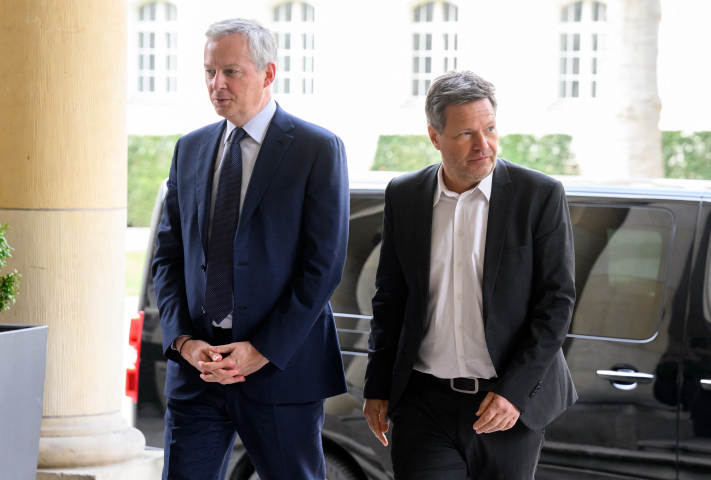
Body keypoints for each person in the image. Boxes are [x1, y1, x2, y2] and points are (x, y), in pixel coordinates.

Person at [152, 18, 349, 480]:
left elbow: (322, 267)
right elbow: (168, 257)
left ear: (268, 73)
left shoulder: (317, 149)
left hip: (280, 371)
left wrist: (261, 349)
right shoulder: (190, 148)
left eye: (231, 72)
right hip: (198, 371)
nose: (217, 84)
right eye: (208, 72)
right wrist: (182, 341)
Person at [362, 71, 577, 479]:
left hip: (505, 406)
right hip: (423, 402)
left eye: (490, 128)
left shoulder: (539, 195)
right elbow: (390, 298)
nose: (484, 145)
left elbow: (557, 303)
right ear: (435, 136)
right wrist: (377, 387)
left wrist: (513, 394)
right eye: (466, 134)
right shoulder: (404, 196)